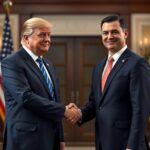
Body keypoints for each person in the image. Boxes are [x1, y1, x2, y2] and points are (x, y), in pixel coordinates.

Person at [68, 15, 150, 150]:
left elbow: (141, 109)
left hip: (126, 143)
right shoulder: (99, 66)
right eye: (105, 33)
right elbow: (96, 104)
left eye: (114, 32)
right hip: (103, 141)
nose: (109, 36)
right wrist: (79, 114)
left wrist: (132, 146)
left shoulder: (137, 64)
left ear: (125, 33)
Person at [1, 17, 81, 150]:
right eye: (42, 35)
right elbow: (25, 97)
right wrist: (64, 111)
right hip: (25, 140)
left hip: (51, 139)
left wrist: (60, 138)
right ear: (26, 38)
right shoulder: (12, 62)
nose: (47, 39)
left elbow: (55, 100)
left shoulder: (49, 65)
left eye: (49, 35)